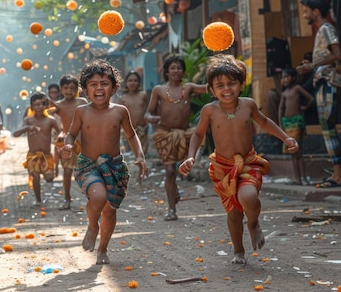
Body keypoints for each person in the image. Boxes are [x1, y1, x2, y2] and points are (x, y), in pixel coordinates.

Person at [179, 54, 299, 265]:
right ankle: (238, 251)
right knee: (234, 213)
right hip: (223, 167)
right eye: (220, 85)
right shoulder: (209, 111)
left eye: (232, 83)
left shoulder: (248, 105)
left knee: (249, 197)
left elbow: (265, 122)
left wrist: (286, 137)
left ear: (242, 84)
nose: (227, 89)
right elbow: (198, 134)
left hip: (248, 163)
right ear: (211, 89)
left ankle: (253, 223)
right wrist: (191, 157)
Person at [61, 59, 147, 265]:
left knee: (109, 211)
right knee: (98, 196)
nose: (99, 88)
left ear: (114, 88)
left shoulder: (120, 111)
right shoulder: (82, 112)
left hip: (114, 166)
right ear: (85, 90)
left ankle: (103, 249)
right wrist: (68, 145)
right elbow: (71, 134)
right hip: (88, 165)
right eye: (93, 84)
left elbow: (131, 135)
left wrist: (140, 156)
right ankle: (92, 225)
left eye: (104, 83)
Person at [144, 54, 208, 221]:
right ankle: (172, 209)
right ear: (166, 71)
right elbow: (148, 112)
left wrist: (219, 72)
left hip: (185, 134)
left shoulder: (189, 88)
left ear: (183, 71)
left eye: (179, 68)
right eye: (172, 68)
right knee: (170, 171)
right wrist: (150, 118)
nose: (176, 71)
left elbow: (210, 88)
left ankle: (173, 194)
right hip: (165, 133)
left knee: (180, 170)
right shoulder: (158, 90)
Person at [297, 0, 341, 188]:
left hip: (328, 81)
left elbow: (337, 54)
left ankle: (338, 175)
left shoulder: (326, 28)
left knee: (327, 127)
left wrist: (313, 65)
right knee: (327, 128)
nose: (304, 14)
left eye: (306, 11)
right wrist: (312, 65)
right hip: (323, 80)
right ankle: (336, 173)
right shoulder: (321, 29)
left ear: (316, 12)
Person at [13, 92, 61, 205]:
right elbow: (15, 134)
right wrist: (27, 128)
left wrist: (59, 143)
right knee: (35, 177)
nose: (39, 107)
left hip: (47, 155)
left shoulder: (51, 120)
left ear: (46, 105)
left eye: (42, 104)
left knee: (49, 178)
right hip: (33, 155)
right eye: (36, 104)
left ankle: (47, 178)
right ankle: (38, 200)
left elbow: (60, 134)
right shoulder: (28, 120)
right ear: (31, 106)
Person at [49, 74, 88, 209]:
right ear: (61, 89)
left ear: (77, 89)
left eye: (72, 88)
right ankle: (67, 199)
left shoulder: (82, 102)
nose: (69, 91)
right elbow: (46, 112)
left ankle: (93, 198)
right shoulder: (58, 106)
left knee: (87, 171)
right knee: (67, 172)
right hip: (68, 142)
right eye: (66, 88)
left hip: (84, 141)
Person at [278, 68, 314, 185]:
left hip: (297, 122)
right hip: (287, 124)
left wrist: (304, 107)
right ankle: (298, 179)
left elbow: (311, 98)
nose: (284, 79)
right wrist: (280, 123)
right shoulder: (284, 93)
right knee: (294, 153)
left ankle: (302, 178)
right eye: (283, 77)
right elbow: (281, 109)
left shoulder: (297, 89)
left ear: (293, 78)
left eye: (287, 76)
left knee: (297, 151)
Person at [117, 70, 149, 157]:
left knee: (142, 155)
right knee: (132, 156)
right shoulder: (123, 99)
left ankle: (143, 170)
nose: (133, 83)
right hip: (129, 132)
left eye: (135, 80)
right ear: (126, 83)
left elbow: (148, 110)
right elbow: (119, 117)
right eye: (130, 81)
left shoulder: (143, 95)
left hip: (143, 130)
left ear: (139, 82)